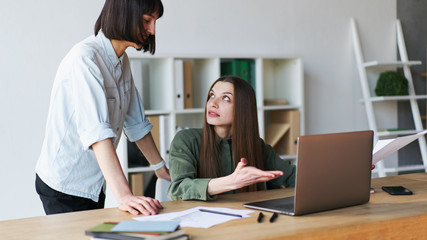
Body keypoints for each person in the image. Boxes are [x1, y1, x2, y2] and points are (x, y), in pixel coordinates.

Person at [35, 0, 170, 216]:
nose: (152, 30)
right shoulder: (85, 59)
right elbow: (97, 134)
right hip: (65, 184)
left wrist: (161, 170)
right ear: (124, 14)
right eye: (147, 20)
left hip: (94, 184)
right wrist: (125, 196)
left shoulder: (121, 61)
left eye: (155, 22)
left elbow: (137, 124)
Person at [168, 75, 296, 201]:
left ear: (242, 109)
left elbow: (294, 177)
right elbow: (178, 189)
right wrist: (231, 182)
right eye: (212, 95)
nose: (213, 103)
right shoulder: (186, 140)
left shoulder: (256, 145)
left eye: (225, 98)